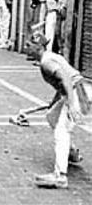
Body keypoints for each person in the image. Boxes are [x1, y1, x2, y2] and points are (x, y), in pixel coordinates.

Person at [25, 33, 90, 189]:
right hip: (73, 90)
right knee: (52, 116)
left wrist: (71, 102)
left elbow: (66, 79)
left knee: (62, 130)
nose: (26, 47)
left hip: (76, 91)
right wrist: (56, 102)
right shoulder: (49, 57)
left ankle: (60, 176)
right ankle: (71, 152)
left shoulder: (46, 62)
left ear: (38, 47)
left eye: (29, 45)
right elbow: (60, 83)